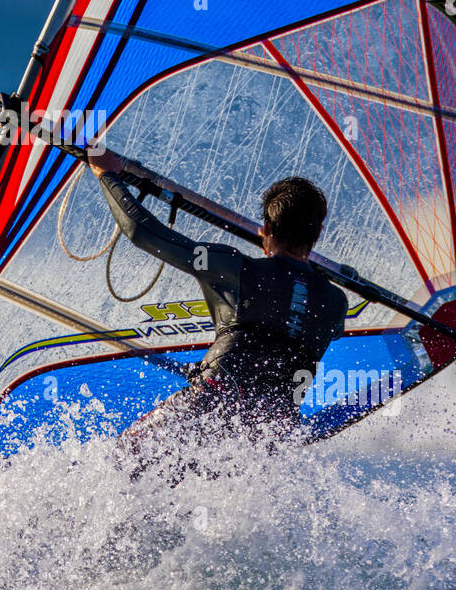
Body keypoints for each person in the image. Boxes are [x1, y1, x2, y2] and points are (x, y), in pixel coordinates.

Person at [87, 149, 348, 474]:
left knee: (118, 465)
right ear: (318, 234)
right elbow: (308, 319)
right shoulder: (336, 303)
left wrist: (106, 174)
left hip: (213, 403)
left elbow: (144, 233)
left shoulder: (235, 268)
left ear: (265, 228)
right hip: (271, 436)